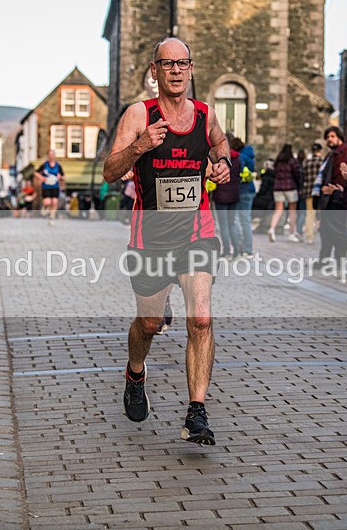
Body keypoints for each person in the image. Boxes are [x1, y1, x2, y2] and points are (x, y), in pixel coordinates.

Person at [102, 37, 231, 446]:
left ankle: (197, 411)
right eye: (167, 63)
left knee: (201, 319)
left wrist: (223, 163)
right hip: (151, 238)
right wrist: (141, 145)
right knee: (150, 323)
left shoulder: (205, 115)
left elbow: (221, 144)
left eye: (182, 63)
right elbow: (110, 171)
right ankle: (135, 372)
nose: (176, 70)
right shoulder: (139, 114)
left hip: (197, 232)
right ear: (154, 70)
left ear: (191, 69)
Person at [317, 126, 347, 269]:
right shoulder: (332, 154)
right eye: (327, 137)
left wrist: (336, 192)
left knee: (338, 233)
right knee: (325, 232)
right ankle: (324, 259)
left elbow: (343, 177)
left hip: (337, 199)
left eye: (332, 136)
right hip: (329, 198)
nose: (329, 139)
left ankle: (340, 262)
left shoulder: (344, 154)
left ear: (339, 137)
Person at [212, 137, 241, 257]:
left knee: (223, 225)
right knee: (232, 223)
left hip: (220, 195)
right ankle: (237, 250)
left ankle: (227, 250)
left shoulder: (217, 159)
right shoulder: (237, 158)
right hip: (234, 195)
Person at [267, 144, 302, 242]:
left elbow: (275, 173)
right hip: (290, 187)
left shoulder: (278, 161)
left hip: (278, 187)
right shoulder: (292, 161)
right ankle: (291, 234)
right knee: (292, 211)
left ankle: (272, 229)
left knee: (278, 210)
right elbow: (297, 173)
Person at [231, 137, 256, 258]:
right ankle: (248, 249)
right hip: (249, 189)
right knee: (246, 220)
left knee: (235, 220)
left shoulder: (238, 157)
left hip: (239, 190)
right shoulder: (250, 155)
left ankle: (240, 245)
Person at [301, 143, 324, 244]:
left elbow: (303, 176)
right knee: (322, 214)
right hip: (320, 191)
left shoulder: (306, 162)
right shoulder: (321, 162)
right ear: (320, 151)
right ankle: (323, 234)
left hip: (308, 190)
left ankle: (309, 236)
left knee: (309, 214)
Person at [36, 150, 65, 226]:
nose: (51, 156)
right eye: (50, 154)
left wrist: (60, 177)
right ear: (48, 156)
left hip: (55, 186)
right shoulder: (44, 165)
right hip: (46, 186)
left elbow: (63, 176)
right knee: (47, 202)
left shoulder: (58, 166)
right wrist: (41, 178)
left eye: (53, 154)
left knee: (54, 202)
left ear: (54, 156)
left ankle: (52, 217)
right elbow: (36, 172)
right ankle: (45, 207)